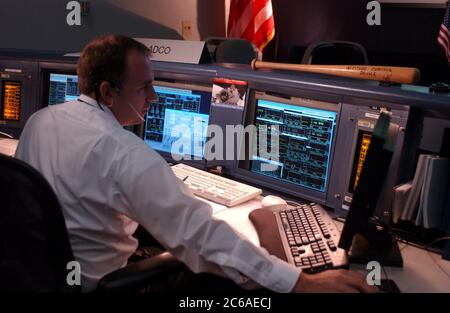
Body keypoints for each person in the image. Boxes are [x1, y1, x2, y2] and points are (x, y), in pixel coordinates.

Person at [15, 35, 376, 293]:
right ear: (109, 92)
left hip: (44, 275)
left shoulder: (40, 121)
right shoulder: (124, 152)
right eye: (145, 88)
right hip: (103, 282)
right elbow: (202, 238)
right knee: (221, 281)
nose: (154, 98)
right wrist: (302, 283)